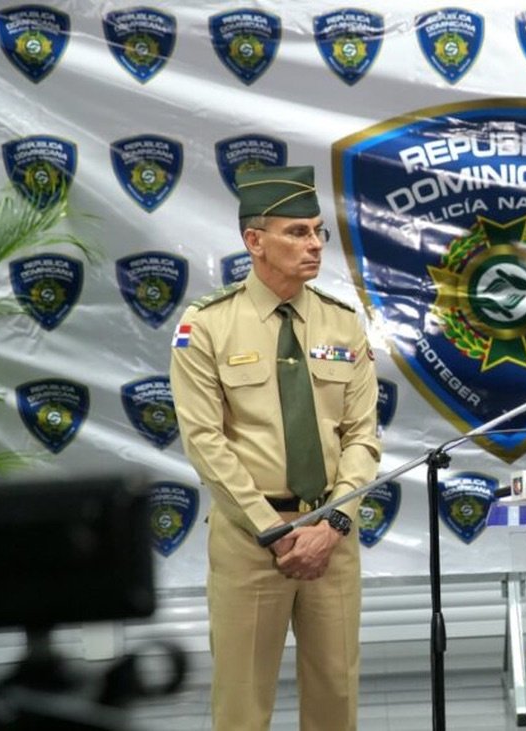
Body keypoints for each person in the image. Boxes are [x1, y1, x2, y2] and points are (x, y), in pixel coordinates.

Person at [170, 165, 380, 731]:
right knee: (241, 706)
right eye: (297, 232)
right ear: (254, 241)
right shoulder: (207, 326)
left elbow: (362, 435)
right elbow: (205, 441)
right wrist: (274, 530)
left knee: (336, 699)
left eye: (318, 231)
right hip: (250, 540)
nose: (314, 245)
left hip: (331, 538)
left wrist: (332, 524)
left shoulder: (342, 323)